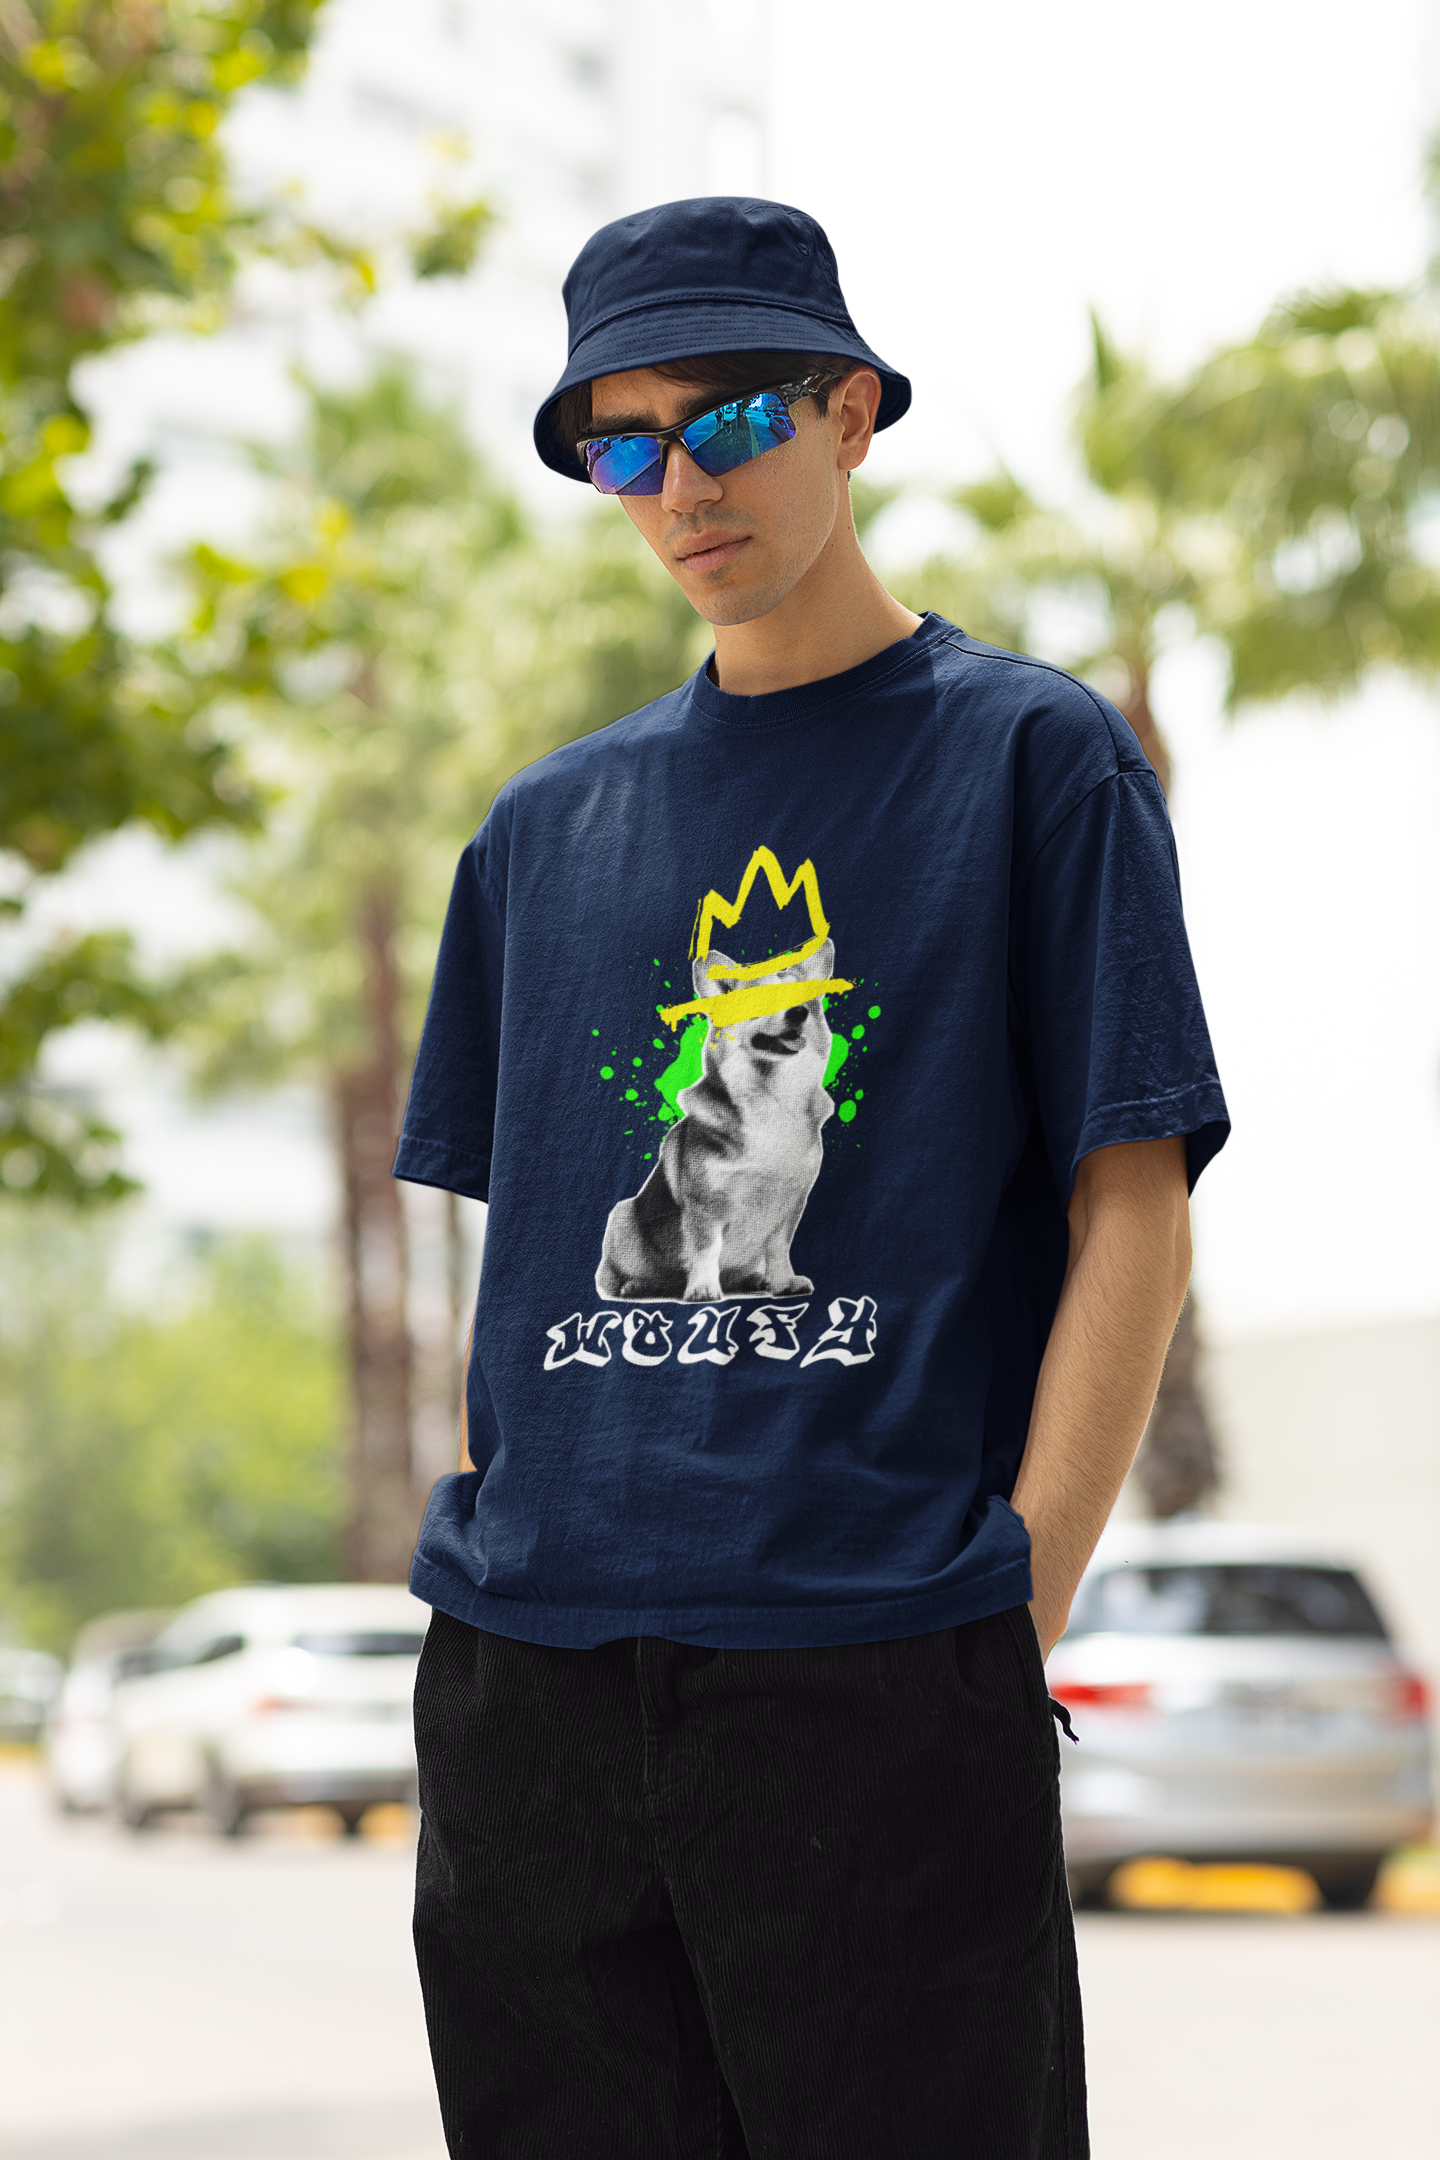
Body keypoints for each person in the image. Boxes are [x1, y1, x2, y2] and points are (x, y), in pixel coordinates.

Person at [394, 195, 1228, 2159]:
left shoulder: (1033, 763)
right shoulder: (540, 833)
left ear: (849, 414)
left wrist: (1002, 1618)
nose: (681, 485)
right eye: (624, 446)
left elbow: (1136, 1208)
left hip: (877, 1671)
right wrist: (497, 1549)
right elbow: (531, 1259)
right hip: (531, 1696)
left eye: (732, 419)